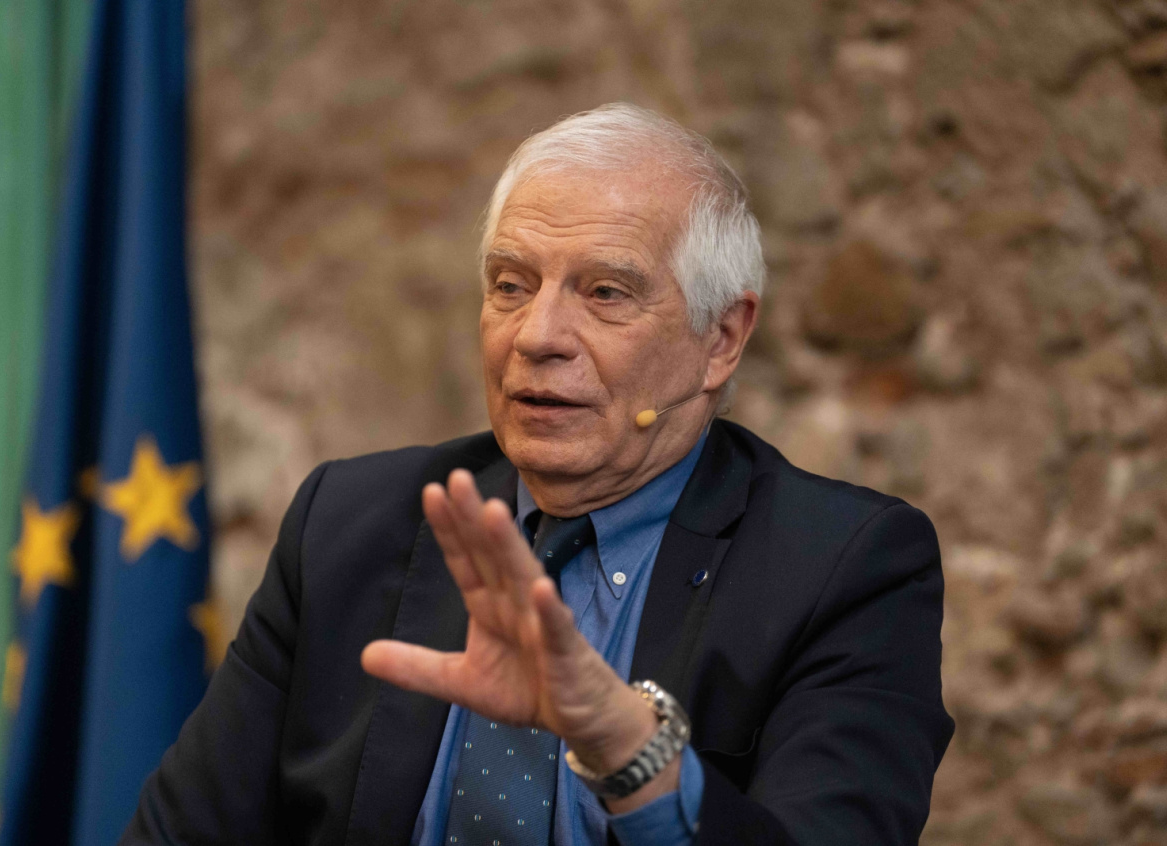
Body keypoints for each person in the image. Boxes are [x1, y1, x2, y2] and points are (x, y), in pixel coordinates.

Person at [121, 103, 954, 846]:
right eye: (511, 285)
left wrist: (628, 750)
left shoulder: (842, 568)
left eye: (606, 293)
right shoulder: (348, 523)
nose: (537, 335)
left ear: (721, 340)